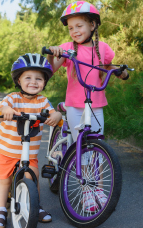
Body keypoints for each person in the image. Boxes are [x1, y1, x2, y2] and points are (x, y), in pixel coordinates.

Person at [47, 1, 128, 213]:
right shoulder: (67, 48)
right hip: (75, 105)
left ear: (92, 25)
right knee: (82, 148)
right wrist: (52, 54)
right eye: (71, 27)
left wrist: (120, 71)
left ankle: (98, 189)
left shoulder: (102, 48)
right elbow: (50, 69)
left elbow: (108, 65)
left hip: (96, 104)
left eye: (79, 26)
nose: (74, 31)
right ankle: (86, 192)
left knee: (97, 148)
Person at [0, 53, 62, 228]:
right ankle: (0, 210)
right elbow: (2, 108)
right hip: (7, 150)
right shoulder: (12, 98)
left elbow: (53, 113)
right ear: (19, 80)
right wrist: (6, 110)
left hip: (29, 153)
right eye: (28, 77)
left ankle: (35, 207)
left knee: (33, 178)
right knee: (5, 181)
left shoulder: (43, 101)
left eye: (39, 78)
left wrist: (57, 115)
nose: (33, 82)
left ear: (44, 82)